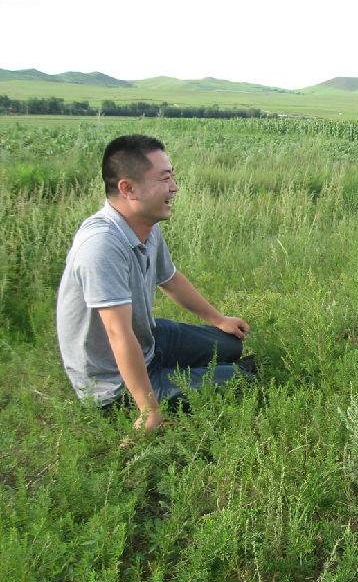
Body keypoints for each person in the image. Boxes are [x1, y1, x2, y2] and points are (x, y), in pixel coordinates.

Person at [56, 134, 251, 434]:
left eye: (173, 177)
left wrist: (218, 319)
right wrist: (149, 410)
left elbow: (169, 279)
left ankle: (183, 374)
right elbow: (118, 334)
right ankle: (162, 387)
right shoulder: (101, 246)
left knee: (231, 345)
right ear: (128, 188)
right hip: (113, 382)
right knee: (242, 379)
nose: (174, 187)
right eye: (164, 179)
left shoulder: (145, 225)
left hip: (148, 339)